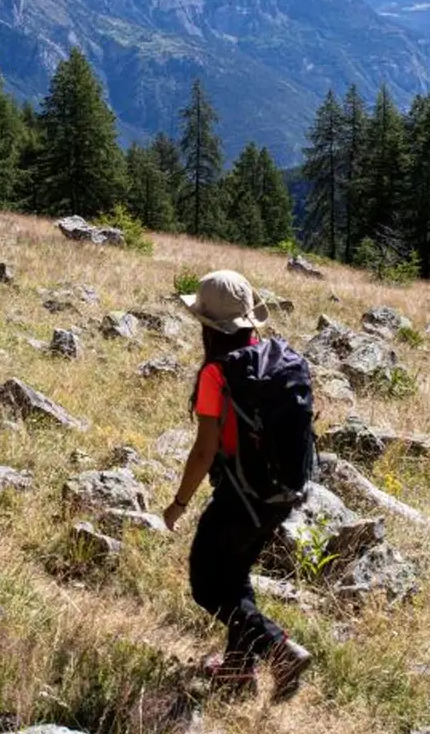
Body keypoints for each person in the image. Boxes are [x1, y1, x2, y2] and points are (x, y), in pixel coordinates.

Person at [162, 268, 314, 700]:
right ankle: (235, 672)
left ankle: (279, 649)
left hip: (239, 495)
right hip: (281, 493)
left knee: (207, 585)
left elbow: (203, 451)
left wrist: (177, 504)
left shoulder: (217, 373)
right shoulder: (275, 359)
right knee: (235, 574)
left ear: (208, 325)